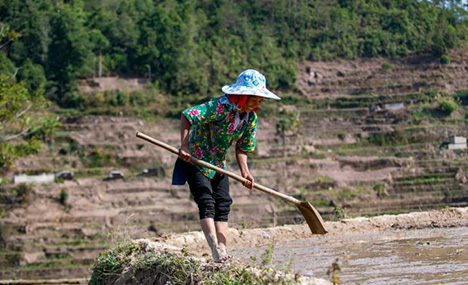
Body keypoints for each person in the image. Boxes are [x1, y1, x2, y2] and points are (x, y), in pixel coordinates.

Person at [172, 69, 281, 262]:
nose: (257, 104)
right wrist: (184, 146)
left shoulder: (250, 119)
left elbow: (242, 148)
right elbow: (188, 116)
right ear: (242, 96)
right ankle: (215, 248)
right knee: (206, 201)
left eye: (260, 101)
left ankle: (223, 250)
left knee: (223, 203)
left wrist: (245, 172)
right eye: (254, 100)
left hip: (218, 164)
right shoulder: (219, 107)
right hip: (196, 159)